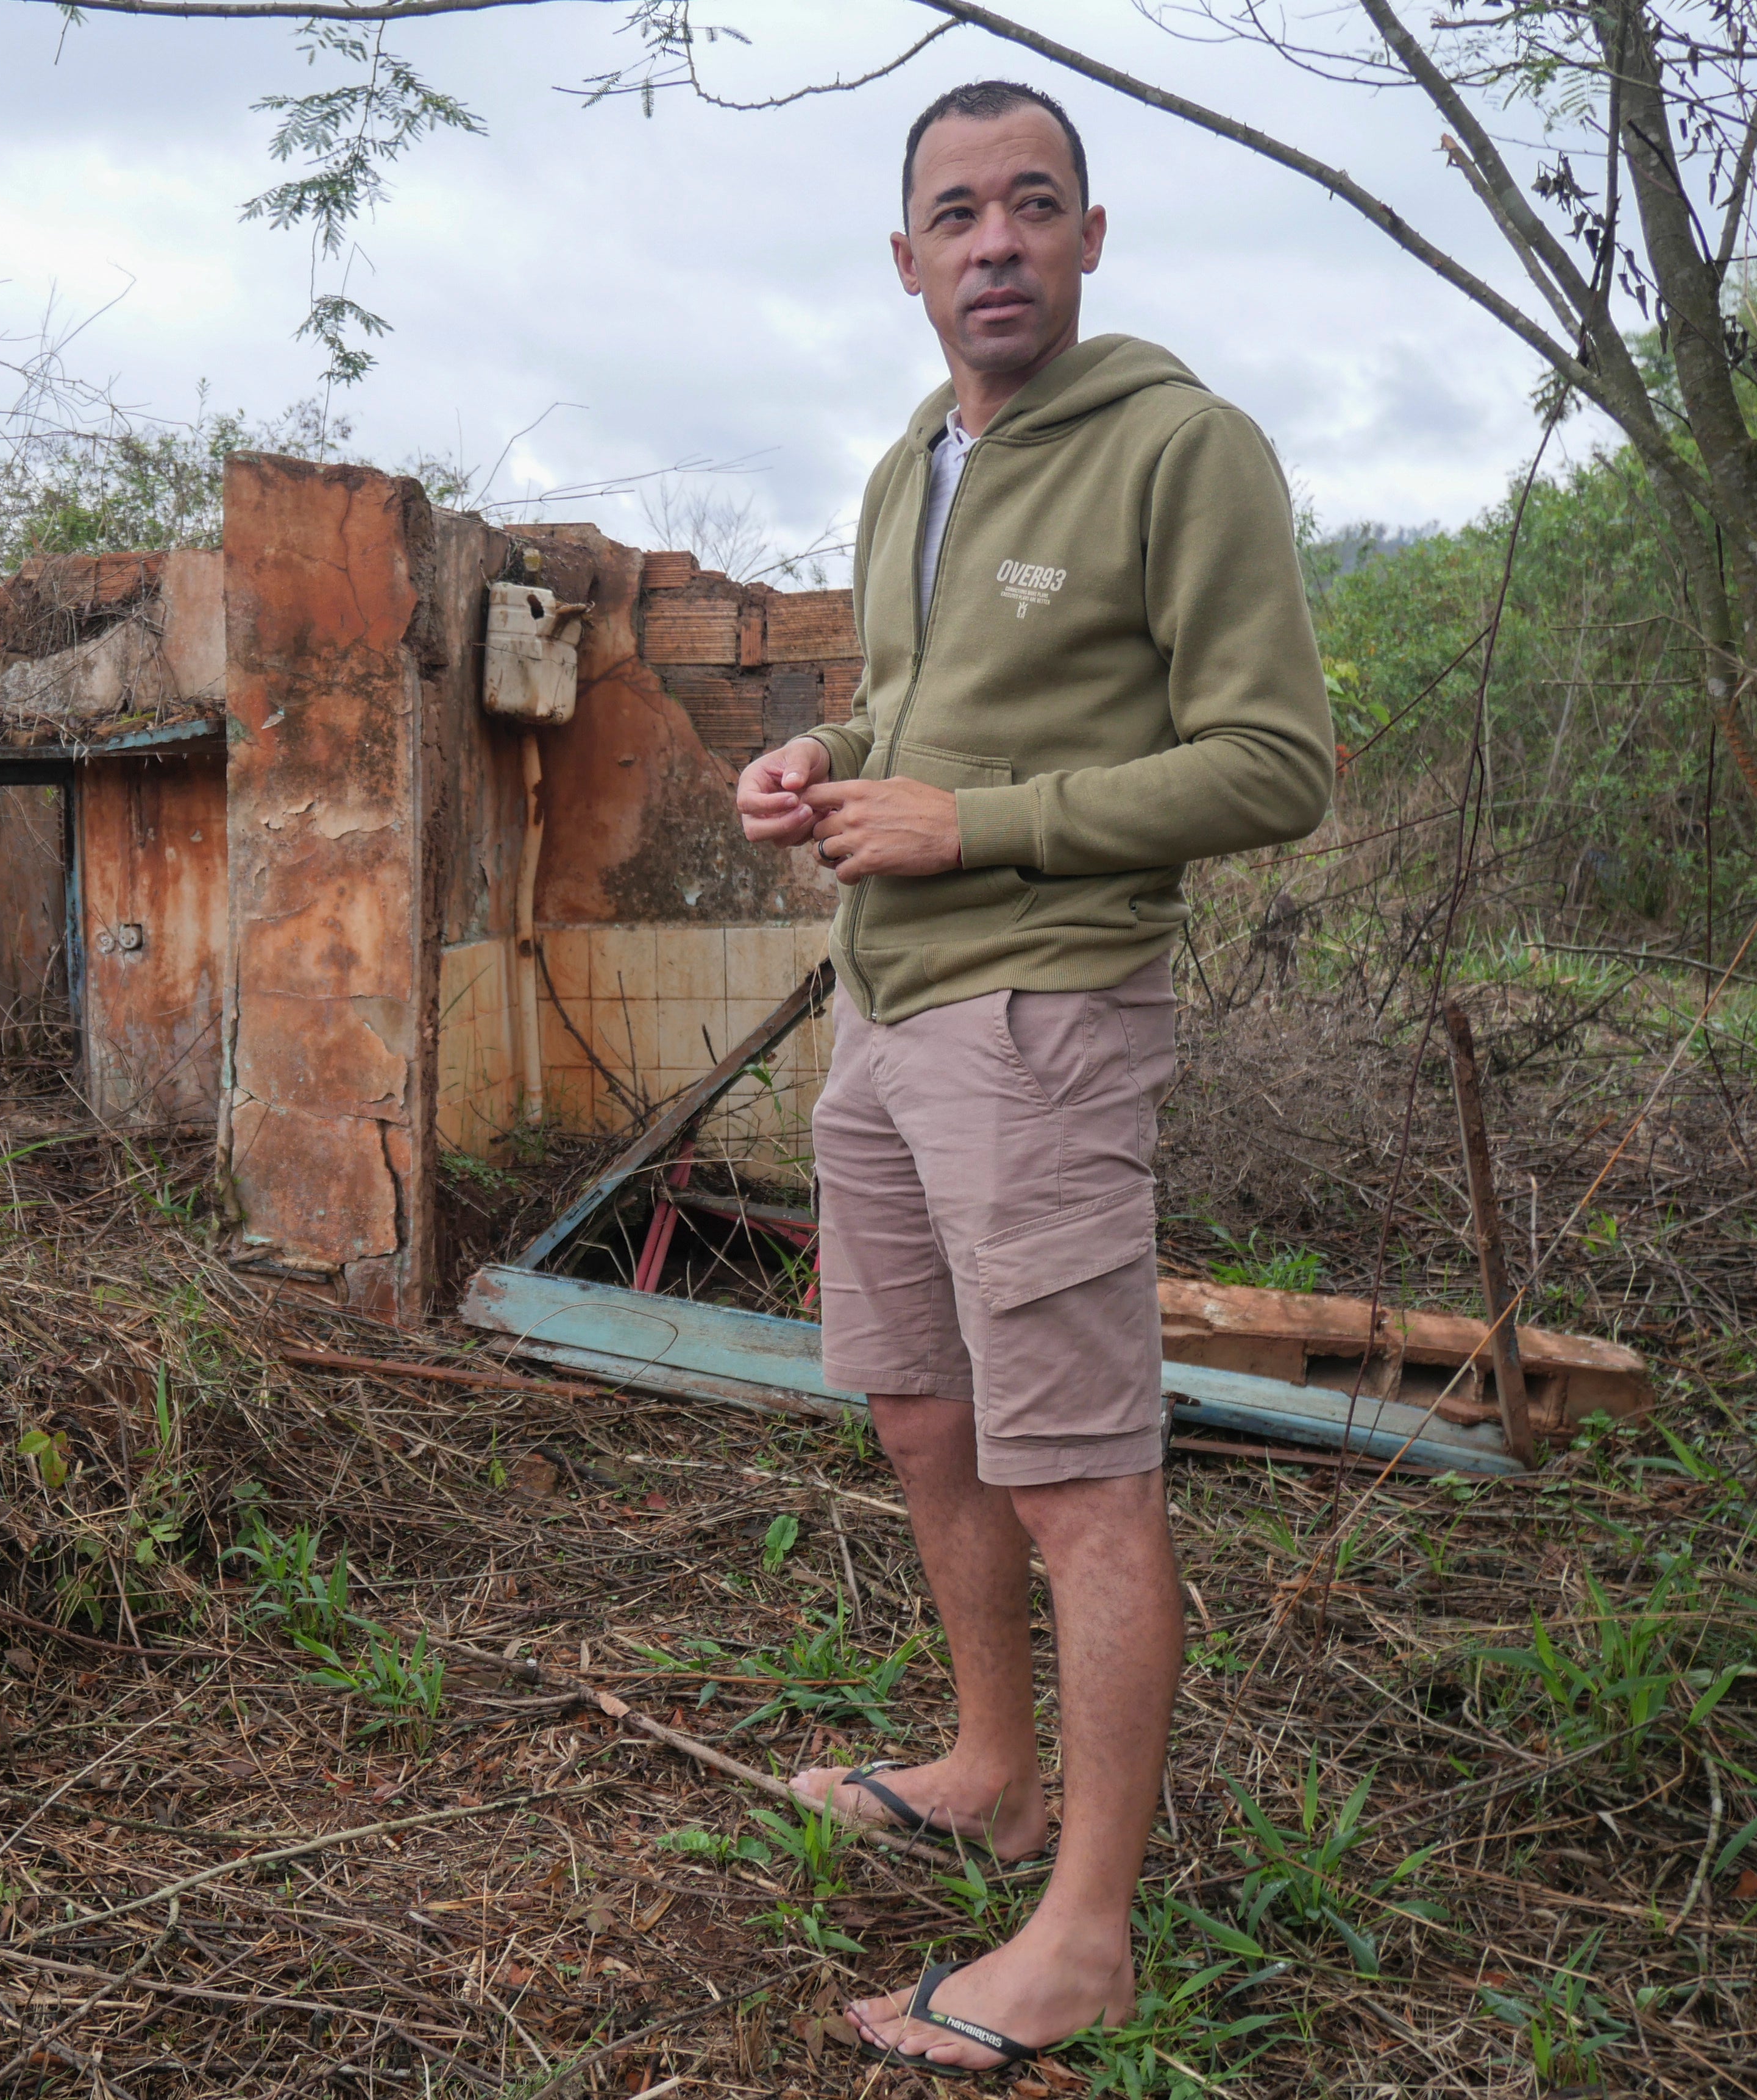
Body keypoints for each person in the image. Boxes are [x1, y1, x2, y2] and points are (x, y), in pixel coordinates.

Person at [734, 79, 1332, 2078]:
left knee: (1078, 1472)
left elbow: (1272, 766)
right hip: (885, 1010)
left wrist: (969, 825)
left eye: (1032, 206)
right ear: (901, 257)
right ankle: (989, 1767)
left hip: (1044, 1015)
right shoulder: (913, 455)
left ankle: (1084, 1938)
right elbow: (918, 710)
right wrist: (817, 770)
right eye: (954, 213)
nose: (993, 242)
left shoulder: (1181, 447)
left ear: (1090, 236)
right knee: (919, 1418)